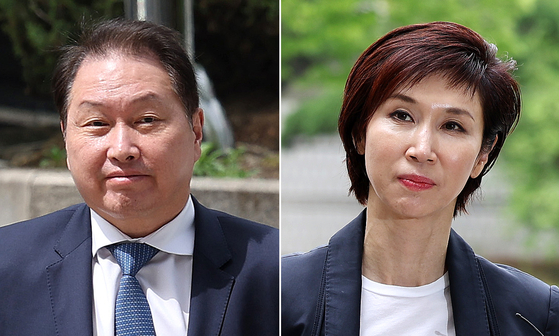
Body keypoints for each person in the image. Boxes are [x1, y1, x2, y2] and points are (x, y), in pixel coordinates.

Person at [0, 19, 278, 335]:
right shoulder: (6, 266)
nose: (122, 149)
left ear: (196, 131)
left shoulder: (276, 271)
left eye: (146, 120)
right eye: (96, 123)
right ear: (66, 138)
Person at [282, 22, 559, 336]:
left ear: (482, 155)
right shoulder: (276, 297)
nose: (422, 150)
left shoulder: (536, 316)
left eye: (453, 126)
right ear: (361, 131)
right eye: (402, 115)